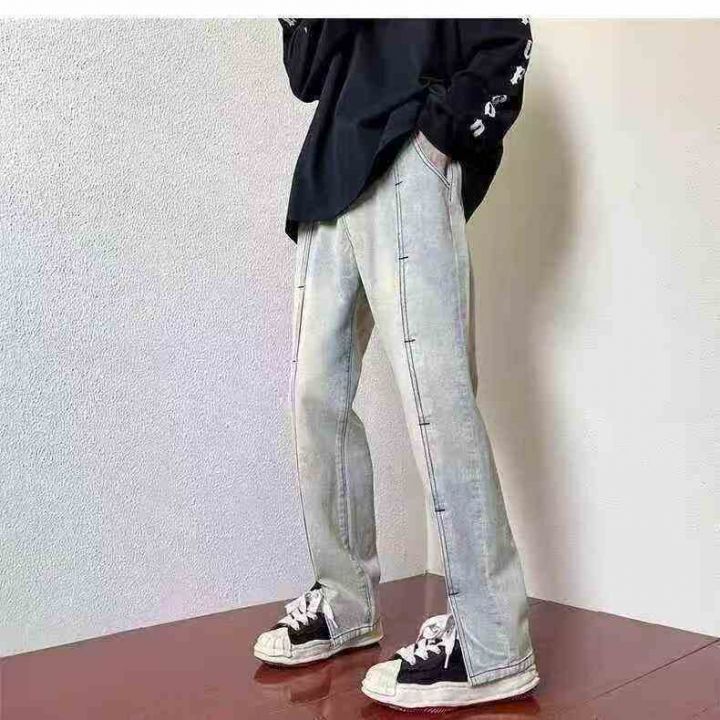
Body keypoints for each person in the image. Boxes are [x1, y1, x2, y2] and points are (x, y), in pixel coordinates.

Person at [253, 18, 538, 710]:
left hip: (408, 149)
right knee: (315, 399)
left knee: (437, 397)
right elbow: (306, 74)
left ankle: (493, 639)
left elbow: (508, 39)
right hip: (329, 173)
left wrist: (440, 138)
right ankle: (345, 600)